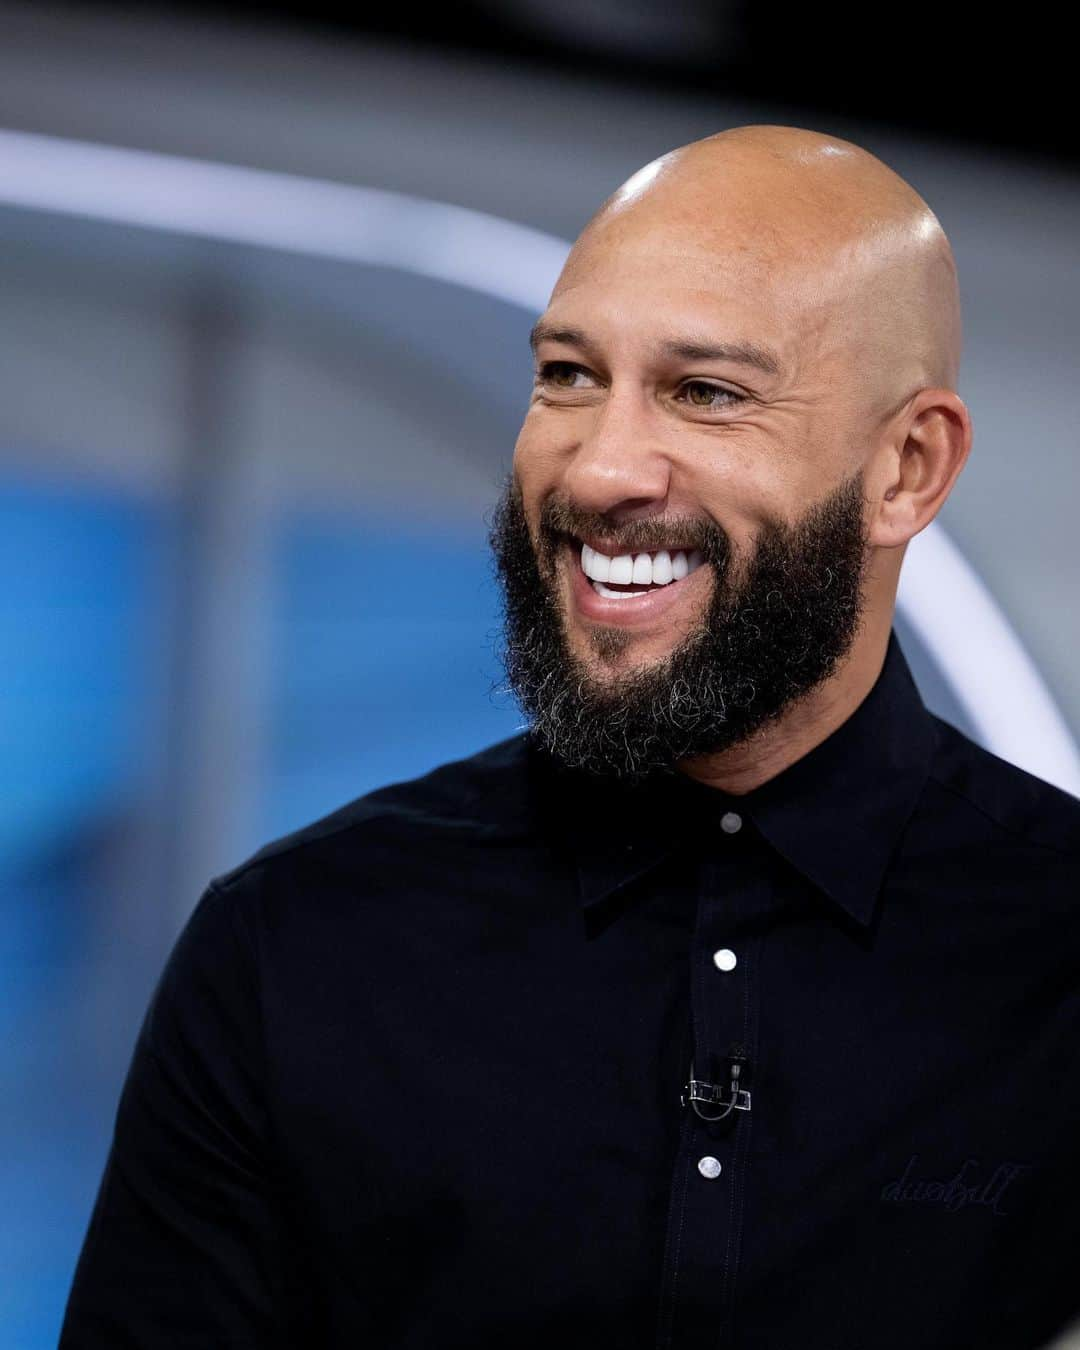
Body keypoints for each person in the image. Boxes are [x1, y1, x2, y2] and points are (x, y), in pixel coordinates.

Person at [59, 125, 1080, 1349]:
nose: (599, 470)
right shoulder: (294, 947)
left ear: (908, 469)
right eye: (567, 375)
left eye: (705, 392)